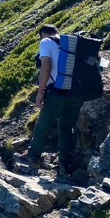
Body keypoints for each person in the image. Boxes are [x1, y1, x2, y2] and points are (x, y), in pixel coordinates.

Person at [21, 24, 84, 177]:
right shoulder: (70, 43)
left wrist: (40, 92)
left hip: (58, 92)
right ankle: (64, 166)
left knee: (44, 123)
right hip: (77, 93)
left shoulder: (46, 42)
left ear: (43, 34)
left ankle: (33, 156)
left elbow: (46, 68)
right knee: (66, 128)